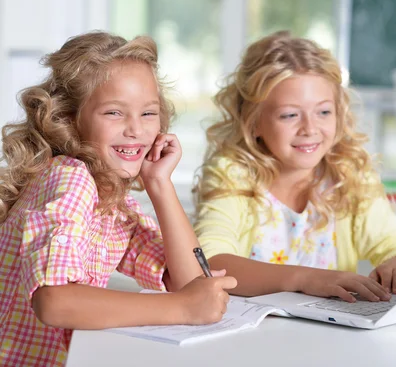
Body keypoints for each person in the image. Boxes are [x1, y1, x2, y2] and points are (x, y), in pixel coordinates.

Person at [0, 31, 236, 367]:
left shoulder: (114, 202)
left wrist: (159, 183)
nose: (136, 130)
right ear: (69, 119)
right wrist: (184, 307)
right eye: (114, 113)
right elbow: (54, 301)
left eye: (148, 113)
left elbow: (185, 280)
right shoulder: (69, 178)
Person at [193, 31, 396, 303]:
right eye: (290, 115)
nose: (310, 128)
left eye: (324, 112)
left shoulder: (348, 172)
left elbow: (394, 241)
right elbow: (211, 262)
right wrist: (305, 279)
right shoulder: (232, 174)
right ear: (253, 121)